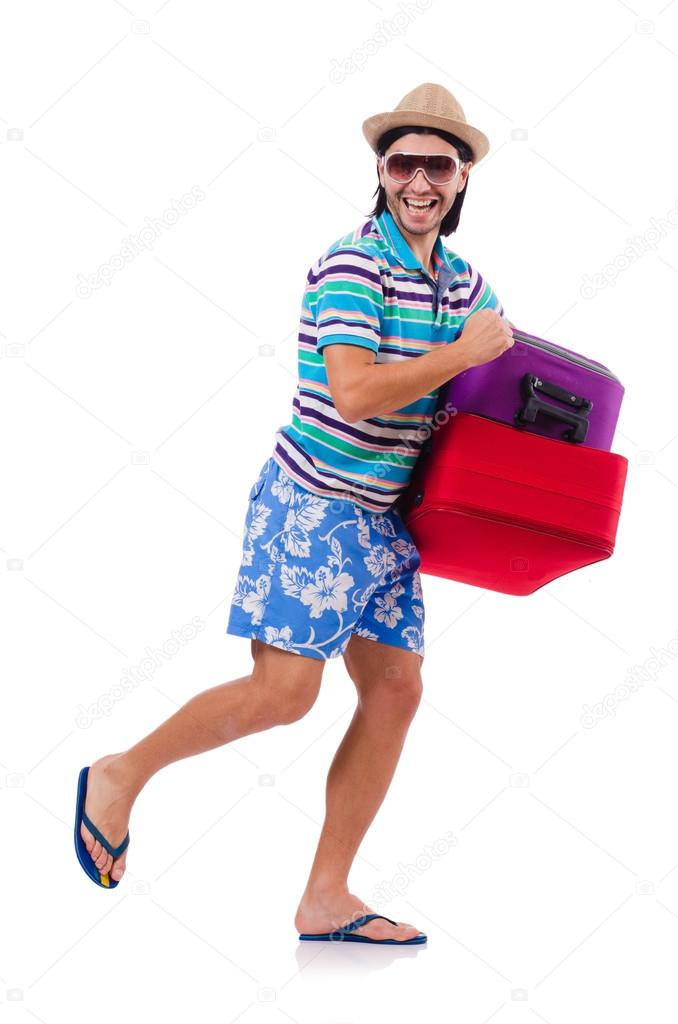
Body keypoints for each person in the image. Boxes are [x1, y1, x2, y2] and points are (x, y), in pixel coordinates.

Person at [76, 82, 514, 945]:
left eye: (438, 163)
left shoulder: (465, 283)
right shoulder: (357, 264)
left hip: (389, 519)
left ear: (462, 178)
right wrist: (462, 354)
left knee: (395, 690)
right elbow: (351, 391)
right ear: (380, 172)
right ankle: (118, 773)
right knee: (286, 695)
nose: (419, 180)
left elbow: (473, 394)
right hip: (314, 501)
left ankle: (326, 898)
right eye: (402, 162)